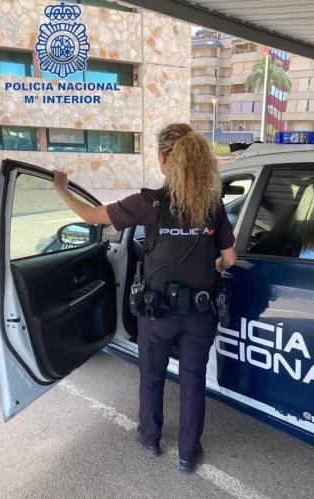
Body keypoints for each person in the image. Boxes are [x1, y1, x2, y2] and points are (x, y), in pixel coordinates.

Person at [53, 123, 236, 474]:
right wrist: (211, 263)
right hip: (200, 314)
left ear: (165, 159)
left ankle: (150, 439)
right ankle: (187, 455)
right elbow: (229, 258)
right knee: (193, 382)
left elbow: (90, 216)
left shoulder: (149, 203)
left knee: (152, 377)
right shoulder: (213, 207)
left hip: (157, 314)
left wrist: (61, 186)